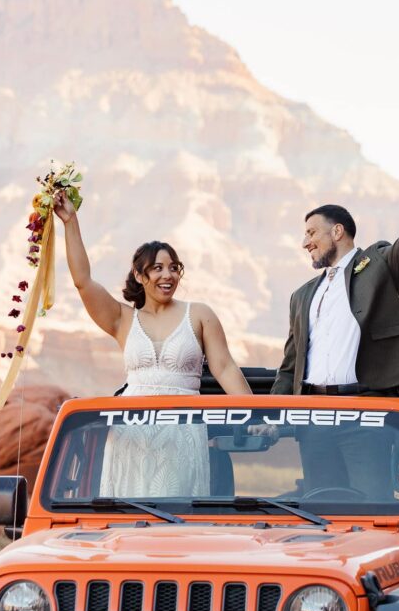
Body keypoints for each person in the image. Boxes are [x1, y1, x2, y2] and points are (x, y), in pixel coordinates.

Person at [271, 143, 399, 493]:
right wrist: (272, 414)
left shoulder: (378, 267)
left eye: (311, 232)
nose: (305, 243)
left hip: (364, 414)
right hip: (312, 418)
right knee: (322, 507)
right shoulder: (302, 296)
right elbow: (290, 363)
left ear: (338, 231)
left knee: (373, 502)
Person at [53, 194, 251, 497]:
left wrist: (255, 414)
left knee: (177, 516)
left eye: (173, 267)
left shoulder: (199, 314)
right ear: (139, 275)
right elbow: (83, 281)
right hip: (131, 432)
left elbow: (224, 367)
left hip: (182, 431)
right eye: (157, 268)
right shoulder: (121, 318)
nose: (167, 274)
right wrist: (70, 222)